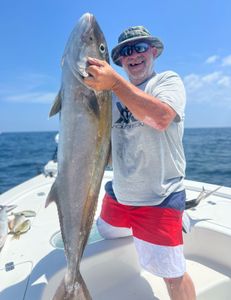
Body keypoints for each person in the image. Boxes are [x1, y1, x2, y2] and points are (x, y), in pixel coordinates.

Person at [84, 26, 196, 300]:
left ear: (154, 51)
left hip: (158, 197)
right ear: (119, 60)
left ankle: (180, 217)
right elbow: (107, 149)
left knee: (172, 274)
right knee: (106, 235)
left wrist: (114, 84)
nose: (132, 54)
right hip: (120, 193)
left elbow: (161, 118)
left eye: (140, 47)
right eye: (125, 51)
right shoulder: (110, 97)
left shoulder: (167, 81)